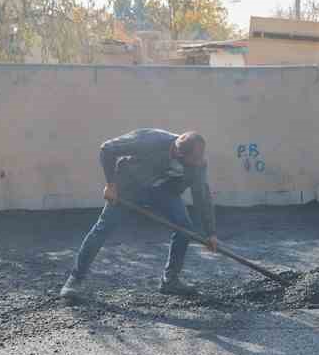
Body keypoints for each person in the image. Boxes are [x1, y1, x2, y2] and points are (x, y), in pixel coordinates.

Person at [60, 129, 218, 300]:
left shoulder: (198, 163)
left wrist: (210, 233)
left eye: (199, 159)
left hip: (163, 191)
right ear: (178, 153)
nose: (197, 163)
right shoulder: (150, 140)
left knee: (184, 228)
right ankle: (75, 279)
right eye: (192, 161)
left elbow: (202, 196)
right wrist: (111, 185)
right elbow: (107, 149)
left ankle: (170, 280)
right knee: (104, 226)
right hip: (129, 186)